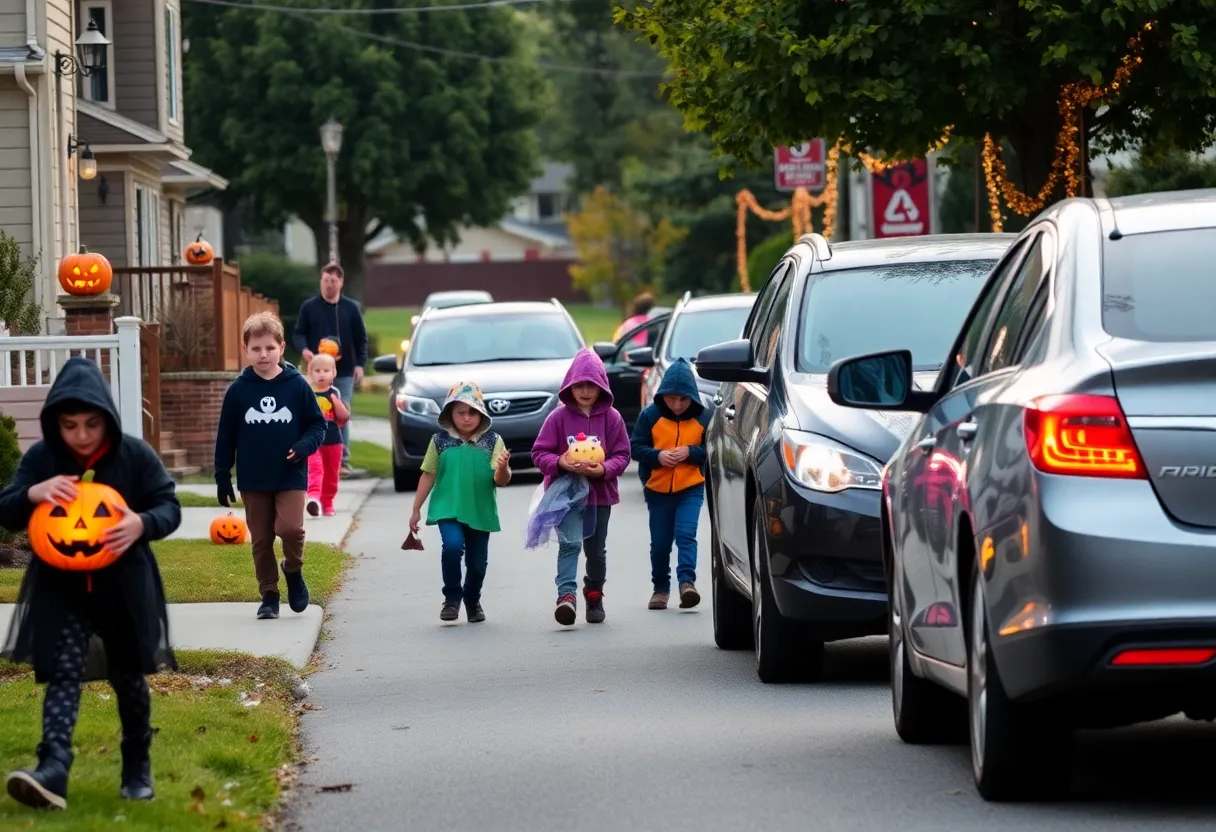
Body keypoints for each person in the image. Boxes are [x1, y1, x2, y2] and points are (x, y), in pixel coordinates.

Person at [0, 358, 182, 810]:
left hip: (122, 588)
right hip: (59, 589)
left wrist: (142, 523)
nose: (81, 435)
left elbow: (169, 506)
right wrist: (32, 495)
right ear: (55, 424)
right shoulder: (43, 458)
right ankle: (53, 767)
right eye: (69, 425)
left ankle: (136, 762)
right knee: (63, 672)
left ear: (106, 418)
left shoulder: (134, 456)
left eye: (91, 424)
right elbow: (5, 508)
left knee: (128, 677)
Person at [215, 312, 326, 620]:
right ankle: (269, 595)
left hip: (290, 473)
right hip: (253, 477)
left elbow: (317, 426)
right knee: (261, 539)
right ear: (246, 350)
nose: (263, 354)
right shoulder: (238, 391)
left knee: (290, 528)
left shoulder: (297, 386)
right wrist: (222, 474)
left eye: (269, 348)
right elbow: (226, 436)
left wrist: (305, 446)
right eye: (256, 349)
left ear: (281, 347)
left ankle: (293, 570)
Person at [531, 349, 631, 625]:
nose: (586, 391)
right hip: (566, 496)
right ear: (569, 386)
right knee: (570, 544)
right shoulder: (558, 418)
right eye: (579, 385)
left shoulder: (612, 419)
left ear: (602, 387)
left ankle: (594, 592)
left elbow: (623, 455)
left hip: (599, 496)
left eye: (592, 386)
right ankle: (566, 597)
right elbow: (539, 453)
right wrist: (561, 462)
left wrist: (603, 469)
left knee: (596, 551)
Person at [408, 382, 511, 623]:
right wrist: (416, 509)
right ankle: (452, 598)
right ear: (449, 414)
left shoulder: (493, 441)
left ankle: (472, 600)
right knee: (452, 547)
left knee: (477, 565)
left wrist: (504, 467)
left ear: (481, 413)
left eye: (472, 412)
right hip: (448, 508)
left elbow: (501, 480)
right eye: (460, 412)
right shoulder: (439, 441)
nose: (466, 418)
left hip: (480, 509)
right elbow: (428, 474)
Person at [630, 358, 711, 610]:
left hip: (691, 487)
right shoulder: (650, 415)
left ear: (692, 397)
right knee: (661, 543)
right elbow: (635, 448)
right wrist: (658, 456)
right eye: (671, 398)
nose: (677, 405)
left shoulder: (704, 417)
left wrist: (691, 452)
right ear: (662, 395)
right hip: (657, 490)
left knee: (687, 534)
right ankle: (660, 589)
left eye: (683, 399)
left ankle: (687, 582)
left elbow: (712, 449)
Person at [291, 262, 369, 475]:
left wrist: (360, 364)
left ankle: (341, 459)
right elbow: (298, 333)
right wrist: (305, 350)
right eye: (325, 281)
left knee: (341, 411)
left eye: (333, 281)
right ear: (321, 281)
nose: (329, 285)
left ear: (341, 283)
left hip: (343, 371)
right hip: (317, 370)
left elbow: (361, 339)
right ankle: (315, 453)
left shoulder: (351, 308)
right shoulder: (309, 307)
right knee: (316, 410)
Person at [305, 353, 350, 518]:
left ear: (334, 373)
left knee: (332, 473)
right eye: (317, 370)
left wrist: (335, 402)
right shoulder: (307, 392)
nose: (321, 374)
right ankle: (314, 499)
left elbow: (344, 416)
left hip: (333, 439)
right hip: (312, 440)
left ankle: (328, 502)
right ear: (310, 373)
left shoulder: (334, 392)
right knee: (315, 469)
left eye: (326, 370)